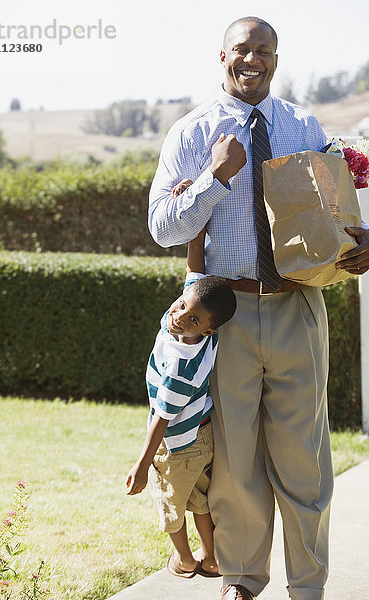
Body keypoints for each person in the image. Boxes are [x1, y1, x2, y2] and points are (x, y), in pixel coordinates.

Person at [148, 15, 369, 600]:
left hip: (299, 307)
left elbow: (338, 210)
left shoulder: (303, 126)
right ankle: (243, 580)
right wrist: (214, 179)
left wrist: (359, 240)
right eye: (242, 50)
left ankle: (309, 586)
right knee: (236, 462)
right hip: (228, 318)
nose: (254, 60)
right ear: (221, 57)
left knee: (305, 459)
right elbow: (162, 228)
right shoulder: (193, 134)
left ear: (276, 57)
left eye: (264, 51)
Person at [126, 274, 237, 579]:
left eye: (192, 319)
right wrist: (197, 235)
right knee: (200, 499)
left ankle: (186, 560)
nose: (179, 318)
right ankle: (211, 559)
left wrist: (143, 464)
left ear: (207, 329)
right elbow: (195, 278)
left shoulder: (180, 368)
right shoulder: (201, 328)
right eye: (181, 306)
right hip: (202, 435)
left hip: (176, 445)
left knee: (170, 502)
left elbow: (162, 418)